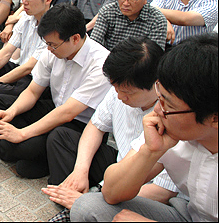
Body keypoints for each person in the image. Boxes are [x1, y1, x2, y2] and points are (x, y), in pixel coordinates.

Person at [71, 33, 218, 222]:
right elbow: (111, 192)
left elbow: (163, 192)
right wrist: (150, 151)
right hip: (189, 215)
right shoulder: (166, 126)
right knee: (89, 206)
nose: (157, 109)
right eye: (160, 97)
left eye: (169, 106)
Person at [43, 37, 180, 222]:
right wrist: (80, 171)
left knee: (89, 206)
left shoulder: (169, 118)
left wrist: (96, 201)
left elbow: (163, 191)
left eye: (128, 92)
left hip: (142, 190)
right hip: (117, 169)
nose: (120, 96)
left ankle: (81, 200)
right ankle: (75, 192)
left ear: (156, 85)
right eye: (116, 88)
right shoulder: (120, 90)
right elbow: (95, 126)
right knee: (61, 137)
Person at [0, 4, 112, 178]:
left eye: (53, 44)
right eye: (47, 43)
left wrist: (22, 133)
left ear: (75, 38)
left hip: (78, 126)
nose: (49, 49)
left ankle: (38, 155)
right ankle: (36, 155)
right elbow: (32, 92)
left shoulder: (100, 65)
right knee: (2, 105)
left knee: (24, 146)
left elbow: (68, 113)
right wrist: (11, 112)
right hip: (55, 109)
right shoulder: (53, 50)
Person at [91, 0, 168, 51]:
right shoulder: (107, 12)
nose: (125, 3)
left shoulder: (157, 20)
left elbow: (153, 55)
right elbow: (94, 45)